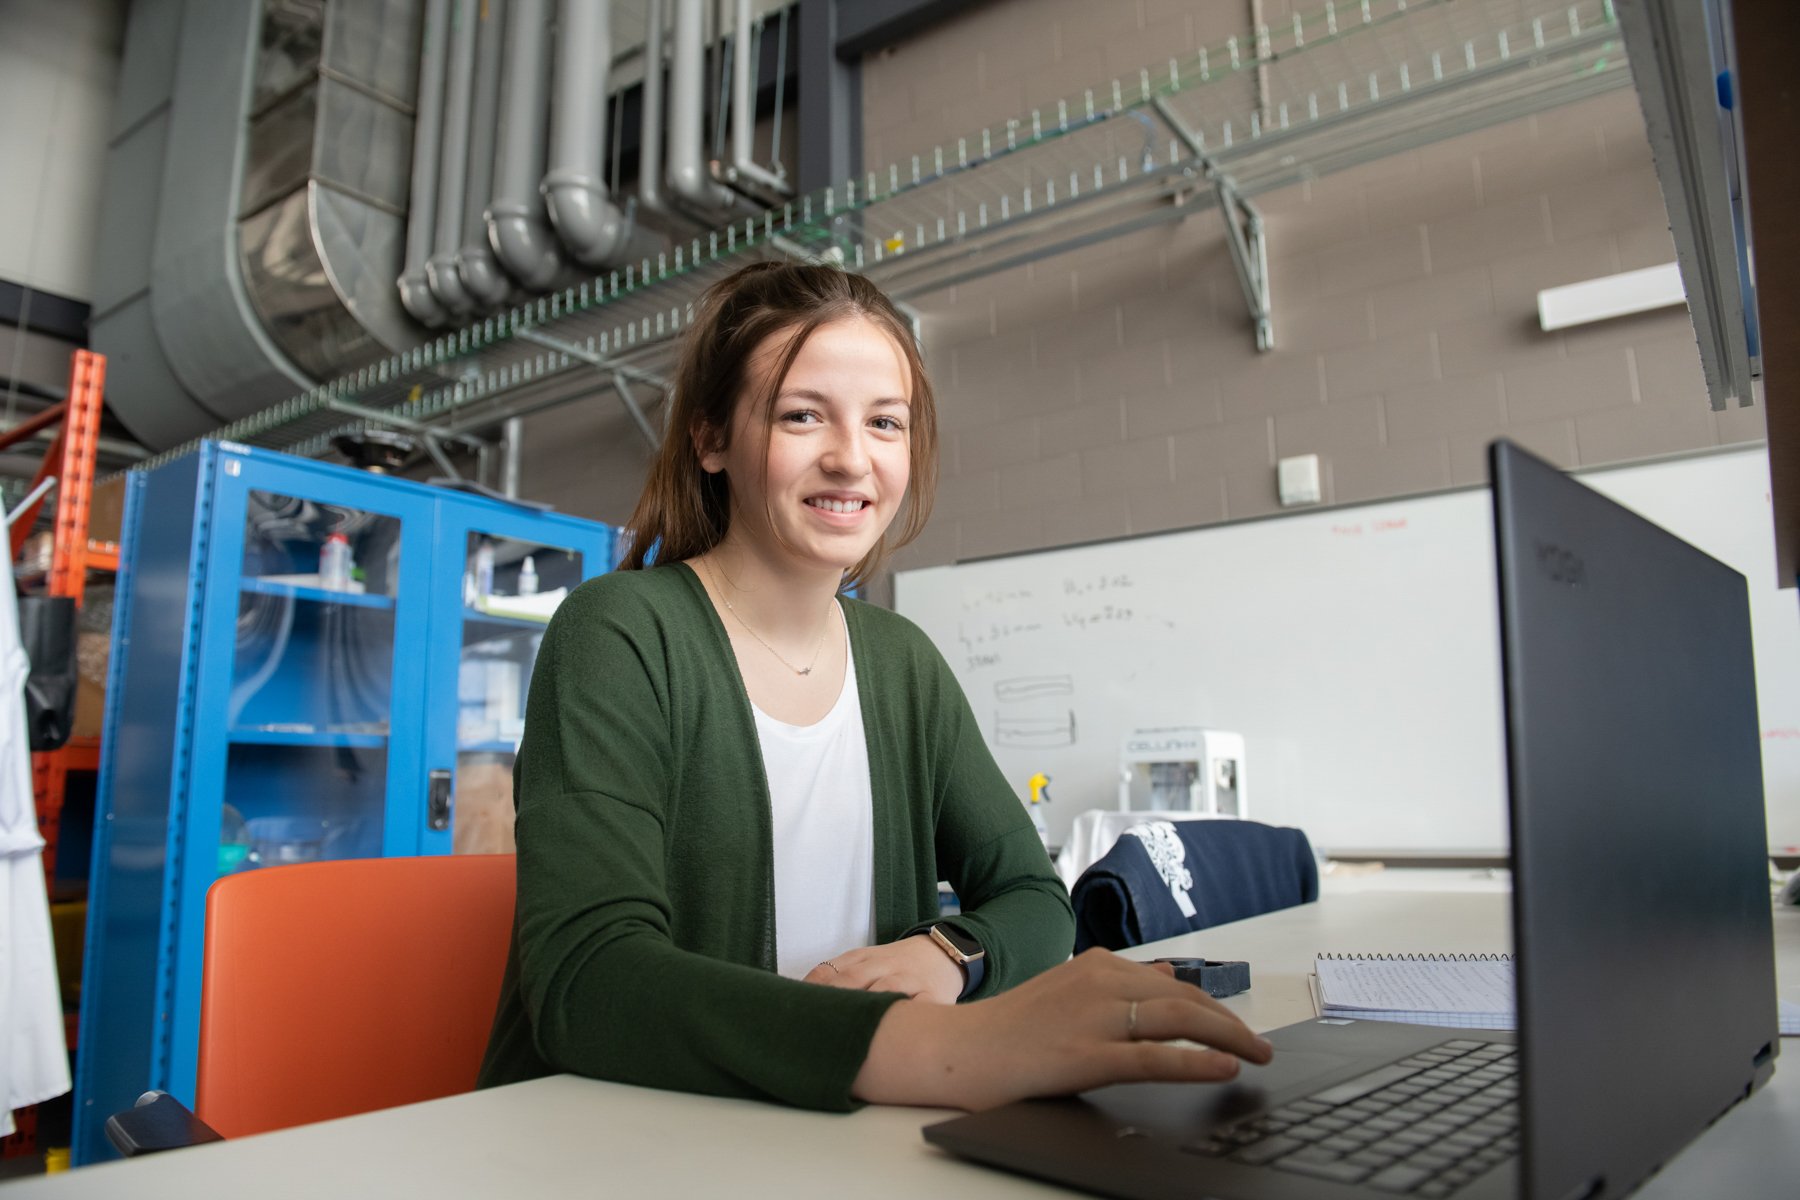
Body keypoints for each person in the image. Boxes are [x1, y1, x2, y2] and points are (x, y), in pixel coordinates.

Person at [477, 261, 1272, 1111]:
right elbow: (590, 979)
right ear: (711, 440)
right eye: (802, 415)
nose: (851, 458)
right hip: (616, 1140)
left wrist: (949, 955)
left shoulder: (902, 663)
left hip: (834, 1133)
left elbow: (1034, 898)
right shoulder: (619, 632)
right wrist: (945, 1049)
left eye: (885, 422)